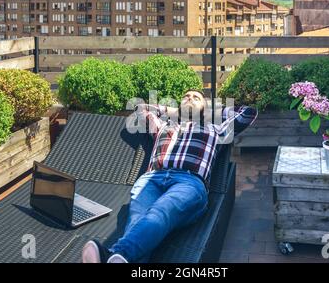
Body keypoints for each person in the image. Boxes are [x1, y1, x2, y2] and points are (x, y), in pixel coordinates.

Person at [82, 90, 257, 263]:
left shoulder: (216, 129)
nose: (190, 99)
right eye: (186, 97)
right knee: (137, 220)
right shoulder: (162, 126)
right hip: (152, 179)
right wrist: (172, 110)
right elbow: (140, 108)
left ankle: (113, 253)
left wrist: (208, 110)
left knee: (160, 211)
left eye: (196, 98)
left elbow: (248, 113)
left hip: (189, 182)